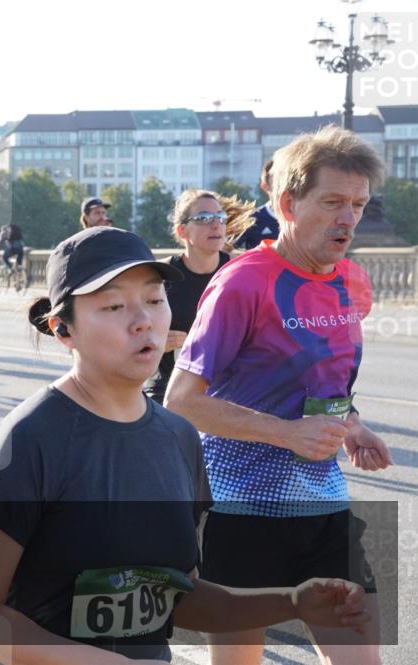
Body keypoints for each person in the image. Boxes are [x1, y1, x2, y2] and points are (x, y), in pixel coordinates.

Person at [0, 226, 373, 664]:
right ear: (63, 330)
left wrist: (291, 603)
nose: (144, 321)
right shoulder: (30, 438)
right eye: (114, 306)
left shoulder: (179, 437)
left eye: (154, 300)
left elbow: (180, 594)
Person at [165, 126, 392, 665]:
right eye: (333, 201)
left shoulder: (352, 283)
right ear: (288, 203)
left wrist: (352, 425)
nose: (348, 218)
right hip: (242, 510)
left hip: (324, 505)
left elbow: (322, 385)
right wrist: (287, 434)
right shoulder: (243, 282)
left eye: (358, 204)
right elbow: (181, 400)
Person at [143, 190, 232, 405]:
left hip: (224, 389)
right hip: (167, 387)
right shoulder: (159, 275)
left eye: (220, 217)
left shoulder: (238, 272)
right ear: (182, 231)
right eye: (203, 218)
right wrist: (157, 343)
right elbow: (132, 335)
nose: (216, 224)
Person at [234, 159, 281, 250]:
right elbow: (228, 250)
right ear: (265, 187)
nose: (282, 188)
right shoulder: (252, 218)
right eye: (277, 184)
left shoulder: (301, 217)